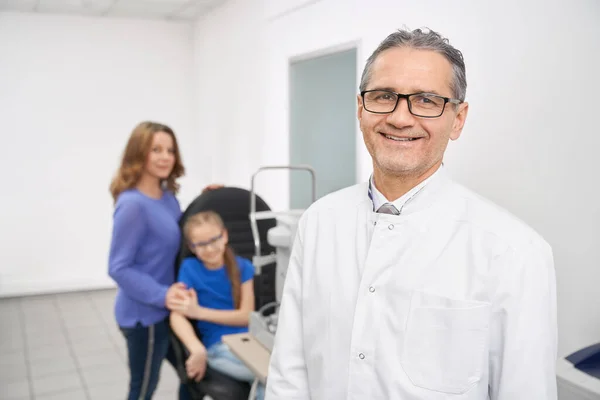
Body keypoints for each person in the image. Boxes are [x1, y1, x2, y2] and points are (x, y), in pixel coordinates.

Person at [265, 28, 557, 400]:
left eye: (426, 100)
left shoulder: (515, 251)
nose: (400, 118)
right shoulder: (320, 221)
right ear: (360, 108)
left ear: (458, 119)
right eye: (384, 96)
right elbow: (290, 374)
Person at [108, 121, 191, 400]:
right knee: (142, 390)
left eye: (170, 150)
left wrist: (210, 200)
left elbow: (178, 236)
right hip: (145, 317)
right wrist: (162, 294)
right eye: (156, 149)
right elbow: (118, 267)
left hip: (167, 309)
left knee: (191, 374)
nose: (166, 157)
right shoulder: (132, 205)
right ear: (139, 153)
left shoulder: (167, 198)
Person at [169, 211, 265, 399]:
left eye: (214, 240)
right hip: (218, 348)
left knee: (271, 377)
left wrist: (199, 312)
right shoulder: (190, 268)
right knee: (271, 376)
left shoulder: (242, 267)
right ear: (192, 247)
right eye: (201, 244)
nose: (210, 248)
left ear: (225, 236)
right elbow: (176, 315)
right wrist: (196, 349)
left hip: (250, 342)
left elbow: (245, 316)